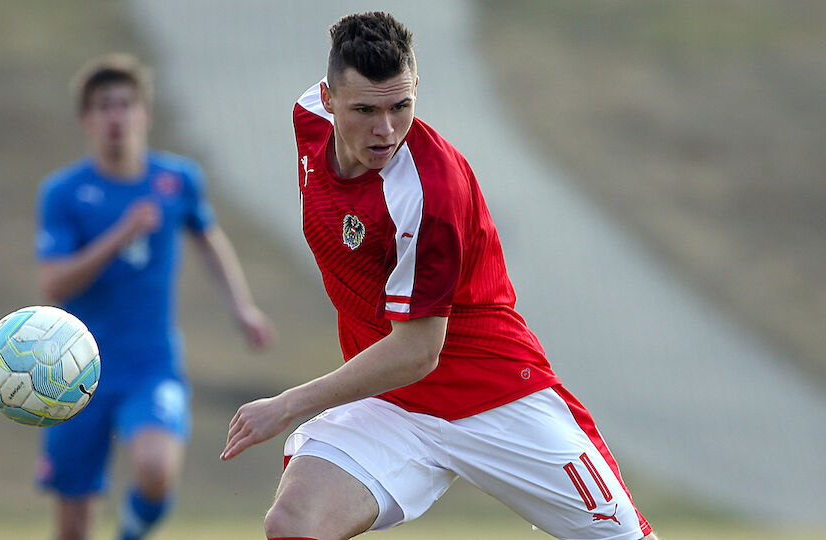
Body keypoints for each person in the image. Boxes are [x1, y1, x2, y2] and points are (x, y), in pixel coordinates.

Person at [221, 12, 657, 540]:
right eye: (365, 110)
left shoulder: (430, 192)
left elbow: (418, 351)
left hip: (493, 395)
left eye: (401, 107)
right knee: (294, 524)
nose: (385, 130)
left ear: (417, 89)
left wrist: (287, 405)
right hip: (394, 404)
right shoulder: (307, 118)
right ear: (328, 99)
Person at [34, 53, 275, 540]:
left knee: (156, 468)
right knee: (73, 525)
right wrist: (119, 236)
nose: (116, 116)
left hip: (151, 363)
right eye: (104, 106)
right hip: (72, 367)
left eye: (126, 104)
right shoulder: (63, 192)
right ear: (87, 119)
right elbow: (54, 284)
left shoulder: (176, 180)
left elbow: (209, 241)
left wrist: (241, 308)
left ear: (143, 114)